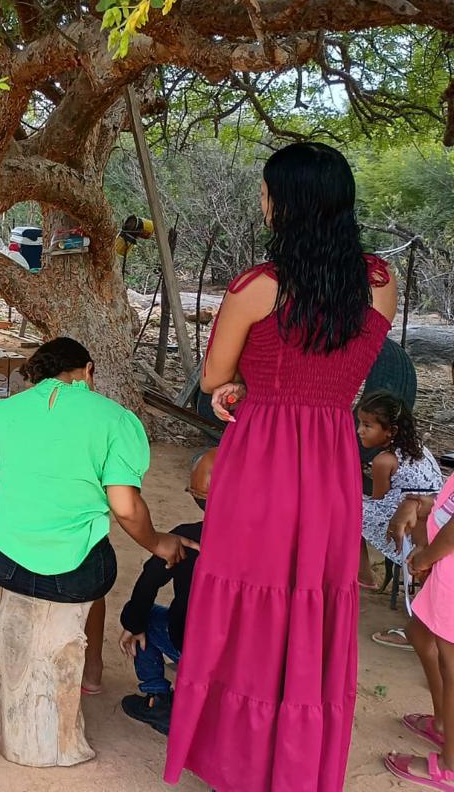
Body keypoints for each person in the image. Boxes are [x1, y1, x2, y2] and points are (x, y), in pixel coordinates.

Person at [165, 142, 398, 792]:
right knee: (311, 608)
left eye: (268, 192)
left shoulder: (257, 287)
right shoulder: (380, 282)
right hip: (329, 463)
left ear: (285, 204)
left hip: (262, 460)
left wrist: (242, 386)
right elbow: (341, 363)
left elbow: (213, 375)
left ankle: (240, 762)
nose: (263, 202)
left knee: (247, 607)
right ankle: (298, 764)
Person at [0, 337, 195, 697]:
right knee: (90, 555)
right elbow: (125, 507)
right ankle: (91, 669)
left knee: (73, 549)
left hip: (2, 563)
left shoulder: (0, 412)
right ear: (88, 370)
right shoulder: (113, 418)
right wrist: (158, 542)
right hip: (73, 578)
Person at [118, 448, 212, 735]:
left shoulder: (186, 536)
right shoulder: (268, 548)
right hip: (245, 661)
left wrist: (132, 622)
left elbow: (150, 580)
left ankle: (157, 698)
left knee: (142, 617)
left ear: (197, 497)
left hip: (193, 647)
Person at [382, 478, 454, 789]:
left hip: (447, 562)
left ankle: (451, 766)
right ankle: (442, 723)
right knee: (420, 634)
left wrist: (427, 557)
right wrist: (418, 503)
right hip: (445, 563)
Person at [360, 390, 443, 590]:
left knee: (347, 510)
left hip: (408, 523)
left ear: (392, 431)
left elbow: (379, 501)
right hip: (435, 512)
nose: (359, 430)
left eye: (367, 425)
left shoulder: (383, 461)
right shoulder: (419, 447)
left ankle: (362, 573)